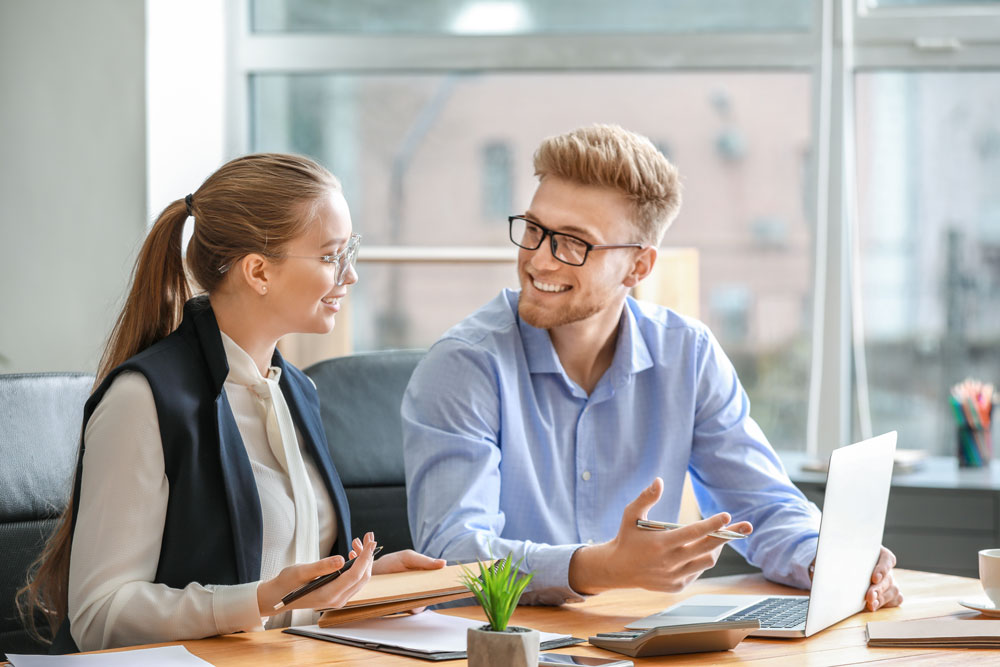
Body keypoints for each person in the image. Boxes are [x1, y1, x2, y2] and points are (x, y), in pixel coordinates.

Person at [402, 124, 902, 610]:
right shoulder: (465, 365)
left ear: (639, 267)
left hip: (635, 645)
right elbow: (451, 555)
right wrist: (599, 568)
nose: (538, 260)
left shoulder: (687, 354)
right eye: (534, 229)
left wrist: (829, 561)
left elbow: (764, 505)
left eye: (573, 242)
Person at [20, 153, 443, 653]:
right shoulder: (143, 400)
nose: (349, 276)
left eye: (348, 250)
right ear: (259, 272)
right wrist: (259, 599)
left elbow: (289, 594)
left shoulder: (295, 391)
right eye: (331, 256)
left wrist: (364, 585)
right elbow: (100, 616)